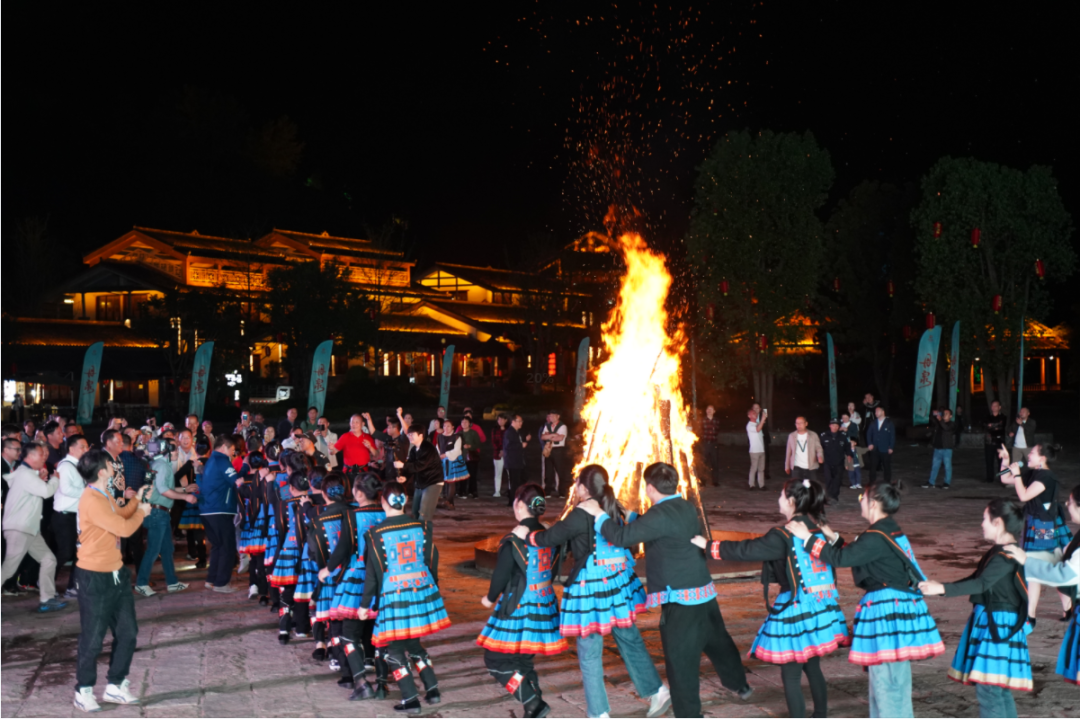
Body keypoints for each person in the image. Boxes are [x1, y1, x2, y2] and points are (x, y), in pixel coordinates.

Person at [580, 463, 752, 718]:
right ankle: (739, 684)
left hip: (680, 600)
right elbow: (658, 526)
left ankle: (689, 714)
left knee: (680, 663)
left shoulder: (658, 515)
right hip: (703, 591)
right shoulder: (685, 506)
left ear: (650, 488)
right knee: (718, 642)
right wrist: (629, 514)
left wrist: (599, 514)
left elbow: (622, 537)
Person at [514, 467, 669, 719]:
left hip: (592, 588)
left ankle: (598, 713)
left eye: (576, 483)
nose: (575, 487)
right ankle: (657, 691)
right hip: (618, 583)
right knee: (629, 639)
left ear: (584, 488)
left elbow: (549, 539)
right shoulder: (613, 505)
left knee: (589, 652)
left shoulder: (581, 512)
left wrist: (528, 535)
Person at [787, 482, 944, 717]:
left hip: (887, 612)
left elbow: (841, 559)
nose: (859, 501)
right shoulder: (887, 529)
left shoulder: (876, 535)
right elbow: (862, 554)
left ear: (873, 503)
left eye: (862, 497)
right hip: (896, 608)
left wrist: (808, 539)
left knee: (886, 682)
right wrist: (832, 536)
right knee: (891, 680)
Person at [696, 478, 848, 719]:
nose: (778, 499)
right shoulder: (815, 528)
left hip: (795, 608)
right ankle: (820, 714)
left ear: (791, 501)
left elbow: (747, 550)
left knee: (791, 674)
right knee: (812, 666)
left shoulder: (783, 535)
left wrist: (709, 546)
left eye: (781, 495)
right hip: (820, 607)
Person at [920, 499, 1034, 716]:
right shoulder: (1000, 551)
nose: (982, 524)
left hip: (998, 624)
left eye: (985, 519)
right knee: (996, 689)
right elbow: (976, 578)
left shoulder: (1005, 555)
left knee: (990, 689)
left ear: (998, 522)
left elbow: (981, 584)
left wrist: (941, 588)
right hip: (996, 621)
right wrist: (940, 588)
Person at [358, 483, 451, 714]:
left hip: (394, 594)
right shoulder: (421, 526)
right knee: (413, 643)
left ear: (383, 502)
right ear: (406, 499)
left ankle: (410, 698)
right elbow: (432, 558)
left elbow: (372, 574)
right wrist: (432, 587)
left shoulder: (376, 534)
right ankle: (432, 689)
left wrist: (364, 604)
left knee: (394, 650)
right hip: (421, 589)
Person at [72, 449, 152, 712]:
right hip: (95, 576)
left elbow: (121, 515)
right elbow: (125, 528)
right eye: (110, 463)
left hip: (116, 573)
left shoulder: (103, 494)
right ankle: (83, 690)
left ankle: (115, 685)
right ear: (101, 471)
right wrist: (143, 512)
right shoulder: (92, 499)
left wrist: (137, 500)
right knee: (93, 638)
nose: (114, 466)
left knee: (128, 632)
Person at [481, 483, 566, 719]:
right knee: (524, 659)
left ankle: (532, 702)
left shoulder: (515, 539)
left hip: (520, 605)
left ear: (519, 505)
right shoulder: (549, 536)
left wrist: (490, 598)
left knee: (496, 660)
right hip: (545, 603)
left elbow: (501, 574)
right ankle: (533, 706)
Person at [1003, 483, 1080, 686]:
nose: (1066, 505)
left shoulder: (1044, 480)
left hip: (1043, 532)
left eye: (1071, 502)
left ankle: (1040, 613)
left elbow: (1064, 575)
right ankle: (1040, 613)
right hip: (1037, 531)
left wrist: (1027, 560)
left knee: (1048, 570)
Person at [328, 473, 387, 699]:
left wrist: (327, 569)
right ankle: (382, 684)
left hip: (358, 579)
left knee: (349, 634)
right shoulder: (387, 513)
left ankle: (361, 682)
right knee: (380, 632)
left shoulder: (353, 516)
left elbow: (343, 548)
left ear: (359, 493)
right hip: (385, 580)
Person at [998, 443, 1072, 624]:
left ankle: (1062, 609)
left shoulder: (1047, 477)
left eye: (1032, 452)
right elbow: (1005, 479)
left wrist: (1017, 474)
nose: (1028, 455)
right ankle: (1035, 614)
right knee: (1038, 569)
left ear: (1042, 458)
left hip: (1043, 527)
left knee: (1044, 569)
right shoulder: (1034, 473)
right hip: (1033, 524)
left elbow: (1024, 496)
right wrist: (1006, 461)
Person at [1, 443, 66, 612]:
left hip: (28, 528)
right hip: (20, 527)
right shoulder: (25, 474)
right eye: (41, 454)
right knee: (8, 569)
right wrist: (55, 479)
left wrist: (40, 478)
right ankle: (47, 599)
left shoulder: (25, 474)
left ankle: (47, 599)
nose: (44, 457)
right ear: (30, 456)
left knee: (48, 559)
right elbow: (46, 492)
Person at [134, 438, 196, 596]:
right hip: (158, 512)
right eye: (174, 449)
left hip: (158, 512)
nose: (177, 452)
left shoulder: (156, 464)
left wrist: (184, 489)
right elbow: (163, 490)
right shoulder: (163, 466)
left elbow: (163, 488)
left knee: (167, 549)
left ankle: (172, 582)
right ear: (167, 450)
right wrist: (185, 496)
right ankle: (141, 583)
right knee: (153, 550)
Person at [268, 461, 313, 643]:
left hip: (289, 551)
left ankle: (284, 629)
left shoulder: (283, 505)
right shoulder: (313, 504)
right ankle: (302, 628)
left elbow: (280, 531)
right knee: (304, 590)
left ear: (291, 488)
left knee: (287, 591)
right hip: (308, 552)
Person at [199, 435, 240, 593]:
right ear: (224, 447)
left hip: (207, 510)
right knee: (227, 547)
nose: (233, 453)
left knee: (217, 546)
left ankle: (212, 579)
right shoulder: (222, 460)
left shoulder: (211, 460)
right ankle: (221, 583)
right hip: (220, 509)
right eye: (232, 450)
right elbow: (236, 481)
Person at [53, 434, 89, 599]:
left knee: (78, 553)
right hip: (64, 516)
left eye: (86, 446)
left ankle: (73, 587)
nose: (86, 450)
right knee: (65, 552)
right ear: (71, 448)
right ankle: (44, 581)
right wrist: (89, 492)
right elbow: (66, 489)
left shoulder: (78, 466)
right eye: (82, 446)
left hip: (76, 516)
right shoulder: (66, 466)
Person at [237, 452, 271, 601]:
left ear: (248, 463)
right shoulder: (267, 477)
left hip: (249, 523)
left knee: (253, 558)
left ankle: (253, 586)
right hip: (264, 521)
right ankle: (264, 591)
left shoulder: (242, 481)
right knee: (263, 557)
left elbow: (241, 503)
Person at [396, 425, 444, 523]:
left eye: (412, 434)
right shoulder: (414, 450)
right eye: (409, 434)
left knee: (424, 513)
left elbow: (420, 465)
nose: (409, 436)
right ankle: (418, 531)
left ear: (421, 435)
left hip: (432, 482)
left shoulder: (428, 448)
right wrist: (405, 477)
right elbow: (411, 465)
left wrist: (403, 465)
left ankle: (425, 532)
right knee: (415, 512)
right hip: (421, 483)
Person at [437, 420, 467, 509]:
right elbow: (438, 448)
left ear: (453, 427)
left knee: (451, 481)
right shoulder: (440, 436)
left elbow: (457, 450)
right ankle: (448, 502)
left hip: (452, 460)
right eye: (444, 426)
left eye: (448, 426)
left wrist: (446, 455)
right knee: (445, 481)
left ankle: (450, 501)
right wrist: (439, 456)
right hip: (442, 461)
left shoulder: (456, 437)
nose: (446, 428)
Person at [923, 408, 956, 489]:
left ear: (951, 416)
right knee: (934, 466)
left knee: (947, 467)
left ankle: (947, 483)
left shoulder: (951, 424)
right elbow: (931, 419)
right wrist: (934, 413)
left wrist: (940, 420)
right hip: (937, 448)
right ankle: (931, 482)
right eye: (944, 413)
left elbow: (946, 428)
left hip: (946, 448)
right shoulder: (939, 422)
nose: (944, 415)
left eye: (947, 414)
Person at [783, 416, 823, 483]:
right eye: (797, 423)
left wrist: (820, 456)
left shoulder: (813, 435)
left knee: (811, 486)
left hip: (811, 467)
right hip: (797, 467)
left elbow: (818, 448)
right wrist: (787, 466)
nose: (799, 425)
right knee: (797, 487)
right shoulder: (792, 436)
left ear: (806, 423)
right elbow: (788, 452)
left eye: (801, 423)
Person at [539, 411, 570, 498]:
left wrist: (548, 436)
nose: (551, 417)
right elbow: (542, 437)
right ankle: (548, 491)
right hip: (549, 449)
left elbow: (559, 438)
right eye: (550, 416)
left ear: (558, 416)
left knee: (560, 471)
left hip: (558, 450)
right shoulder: (547, 426)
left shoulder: (563, 426)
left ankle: (562, 492)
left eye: (553, 416)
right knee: (548, 471)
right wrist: (553, 435)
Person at [503, 415, 531, 507]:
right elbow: (508, 446)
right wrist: (521, 445)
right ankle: (513, 501)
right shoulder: (509, 432)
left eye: (521, 421)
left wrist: (524, 440)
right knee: (515, 482)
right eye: (519, 421)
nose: (521, 423)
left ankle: (517, 499)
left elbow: (517, 442)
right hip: (513, 462)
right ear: (513, 422)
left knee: (522, 479)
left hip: (518, 461)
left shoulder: (516, 432)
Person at [865, 406, 896, 487]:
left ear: (883, 412)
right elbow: (868, 433)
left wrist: (891, 447)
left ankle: (887, 482)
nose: (876, 413)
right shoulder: (873, 422)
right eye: (875, 411)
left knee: (886, 466)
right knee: (873, 466)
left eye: (877, 411)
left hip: (885, 448)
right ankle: (872, 482)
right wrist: (870, 443)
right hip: (875, 448)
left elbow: (892, 436)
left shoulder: (889, 423)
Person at [820, 418, 847, 503]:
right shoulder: (824, 435)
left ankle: (834, 496)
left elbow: (847, 447)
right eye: (833, 425)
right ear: (830, 426)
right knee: (828, 479)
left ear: (839, 427)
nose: (834, 427)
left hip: (839, 462)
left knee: (837, 480)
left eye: (836, 425)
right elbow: (820, 448)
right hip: (827, 462)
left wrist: (849, 456)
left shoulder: (843, 435)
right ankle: (828, 495)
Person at [982, 400, 1007, 484]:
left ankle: (1002, 477)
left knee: (1001, 461)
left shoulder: (1003, 417)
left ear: (999, 407)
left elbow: (1000, 427)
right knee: (989, 461)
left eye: (995, 405)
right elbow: (985, 426)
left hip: (999, 442)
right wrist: (994, 427)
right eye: (992, 405)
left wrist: (991, 426)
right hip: (989, 442)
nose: (993, 407)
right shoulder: (987, 417)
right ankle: (989, 478)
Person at [698, 404, 722, 488]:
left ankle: (715, 481)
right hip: (705, 444)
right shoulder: (702, 420)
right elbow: (699, 431)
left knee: (715, 462)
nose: (709, 410)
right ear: (706, 411)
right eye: (708, 409)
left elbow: (717, 431)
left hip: (713, 444)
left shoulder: (716, 421)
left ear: (714, 411)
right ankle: (702, 481)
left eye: (711, 409)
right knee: (703, 463)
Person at [458, 416, 482, 499]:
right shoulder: (459, 433)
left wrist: (470, 446)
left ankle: (473, 491)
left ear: (469, 424)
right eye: (462, 422)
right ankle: (462, 491)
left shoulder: (473, 433)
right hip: (461, 457)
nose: (464, 423)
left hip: (471, 458)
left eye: (466, 422)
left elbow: (478, 444)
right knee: (462, 475)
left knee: (472, 475)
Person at [744, 406, 766, 490]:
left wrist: (762, 418)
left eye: (755, 413)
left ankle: (761, 485)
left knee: (761, 469)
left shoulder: (757, 423)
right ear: (749, 416)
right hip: (754, 451)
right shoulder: (749, 425)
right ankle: (751, 484)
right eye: (753, 413)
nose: (755, 414)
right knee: (754, 468)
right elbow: (757, 429)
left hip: (761, 450)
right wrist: (763, 419)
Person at [840, 413, 863, 490]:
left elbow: (855, 435)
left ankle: (855, 482)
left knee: (852, 463)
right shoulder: (840, 425)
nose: (844, 419)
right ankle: (842, 481)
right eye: (843, 417)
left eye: (846, 417)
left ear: (849, 417)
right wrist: (839, 430)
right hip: (842, 446)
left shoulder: (853, 425)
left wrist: (847, 431)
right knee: (842, 463)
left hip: (850, 446)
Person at [491, 413, 508, 498]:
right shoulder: (494, 430)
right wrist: (500, 450)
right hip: (497, 454)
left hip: (508, 455)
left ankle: (511, 490)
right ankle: (497, 491)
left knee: (510, 473)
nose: (500, 421)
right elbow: (493, 442)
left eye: (502, 419)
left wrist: (505, 451)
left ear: (506, 420)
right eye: (498, 419)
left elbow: (510, 442)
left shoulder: (509, 430)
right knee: (498, 473)